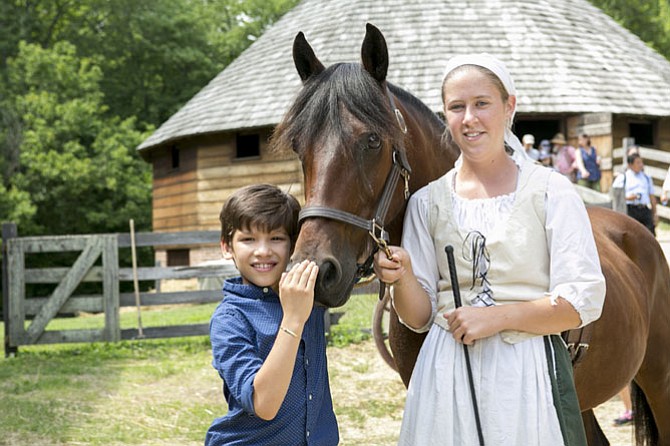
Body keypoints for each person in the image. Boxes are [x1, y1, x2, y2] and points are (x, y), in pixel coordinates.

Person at [373, 54, 606, 445]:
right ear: (445, 114)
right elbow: (419, 316)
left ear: (509, 106)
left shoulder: (551, 191)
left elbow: (580, 303)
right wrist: (404, 278)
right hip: (445, 373)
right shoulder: (427, 202)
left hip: (527, 372)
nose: (469, 119)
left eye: (482, 103)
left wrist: (497, 318)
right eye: (457, 107)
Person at [205, 184, 339, 446]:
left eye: (276, 238)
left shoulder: (306, 292)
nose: (263, 251)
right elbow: (263, 404)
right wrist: (293, 320)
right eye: (248, 239)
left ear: (292, 244)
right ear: (226, 247)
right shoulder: (229, 319)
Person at [611, 153, 657, 235]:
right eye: (638, 163)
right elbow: (615, 196)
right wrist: (628, 198)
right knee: (633, 236)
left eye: (641, 162)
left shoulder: (646, 177)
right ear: (630, 165)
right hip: (631, 210)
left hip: (645, 210)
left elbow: (652, 196)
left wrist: (654, 213)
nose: (641, 165)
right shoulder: (623, 178)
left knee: (650, 235)